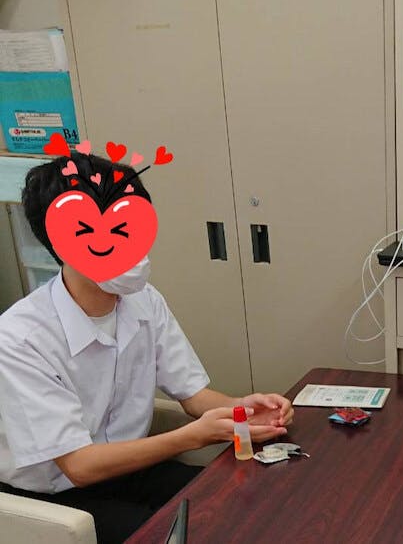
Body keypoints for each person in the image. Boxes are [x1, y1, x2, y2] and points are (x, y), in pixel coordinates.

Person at [0, 152, 294, 543]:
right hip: (56, 496)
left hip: (128, 469)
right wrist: (193, 437)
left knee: (242, 501)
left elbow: (194, 396)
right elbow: (79, 466)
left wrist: (245, 409)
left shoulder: (144, 300)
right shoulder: (19, 338)